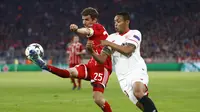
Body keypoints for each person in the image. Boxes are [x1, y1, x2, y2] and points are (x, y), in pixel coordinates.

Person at [29, 7, 112, 112]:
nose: (84, 22)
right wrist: (78, 31)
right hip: (92, 64)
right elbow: (87, 32)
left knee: (97, 99)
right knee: (70, 72)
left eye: (87, 19)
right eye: (83, 19)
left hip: (102, 67)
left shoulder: (97, 27)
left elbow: (87, 30)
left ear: (94, 20)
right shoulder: (95, 31)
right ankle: (44, 65)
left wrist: (77, 29)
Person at [86, 12, 158, 112]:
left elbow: (127, 51)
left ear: (127, 22)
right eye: (115, 21)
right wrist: (92, 52)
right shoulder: (111, 37)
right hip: (122, 77)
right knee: (142, 106)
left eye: (118, 21)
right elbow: (102, 59)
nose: (116, 23)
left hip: (136, 69)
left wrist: (108, 43)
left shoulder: (134, 33)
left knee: (138, 92)